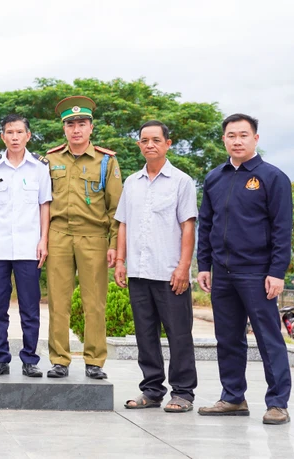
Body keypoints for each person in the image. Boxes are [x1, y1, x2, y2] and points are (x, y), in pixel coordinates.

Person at [197, 113, 293, 425]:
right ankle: (232, 397)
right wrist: (204, 265)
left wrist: (277, 272)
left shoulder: (272, 177)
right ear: (223, 139)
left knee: (268, 338)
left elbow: (282, 229)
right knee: (227, 337)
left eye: (243, 135)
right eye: (231, 135)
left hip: (258, 272)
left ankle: (278, 402)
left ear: (255, 138)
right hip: (222, 272)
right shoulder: (214, 178)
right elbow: (206, 226)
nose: (237, 141)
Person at [114, 120, 198, 412]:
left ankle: (183, 393)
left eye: (156, 140)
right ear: (139, 145)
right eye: (144, 140)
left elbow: (188, 227)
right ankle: (151, 391)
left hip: (169, 272)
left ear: (167, 144)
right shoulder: (131, 183)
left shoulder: (181, 181)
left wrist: (183, 267)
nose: (150, 145)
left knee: (178, 334)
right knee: (145, 334)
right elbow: (123, 223)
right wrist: (121, 261)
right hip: (138, 271)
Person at [45, 95, 122, 379]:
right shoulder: (50, 159)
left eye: (81, 123)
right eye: (70, 124)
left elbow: (116, 208)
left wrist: (115, 245)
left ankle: (94, 361)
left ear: (91, 127)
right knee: (58, 301)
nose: (76, 129)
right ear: (63, 129)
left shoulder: (106, 161)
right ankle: (59, 360)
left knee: (94, 303)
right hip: (58, 236)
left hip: (94, 237)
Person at [0, 114, 51, 377]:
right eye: (9, 132)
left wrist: (44, 240)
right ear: (3, 136)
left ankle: (30, 359)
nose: (14, 137)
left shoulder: (40, 168)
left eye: (19, 132)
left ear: (28, 136)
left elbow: (45, 205)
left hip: (29, 248)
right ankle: (0, 358)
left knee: (30, 308)